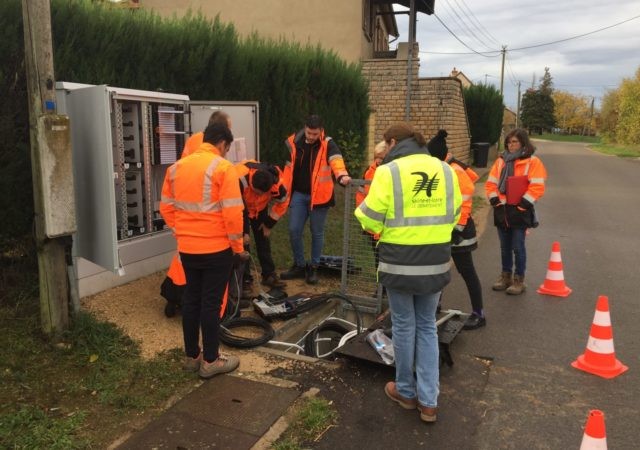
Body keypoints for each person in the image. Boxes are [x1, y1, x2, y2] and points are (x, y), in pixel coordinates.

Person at [355, 123, 461, 423]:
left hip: (400, 264)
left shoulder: (388, 172)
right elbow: (454, 214)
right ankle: (429, 402)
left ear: (392, 142)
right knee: (427, 325)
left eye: (384, 145)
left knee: (404, 325)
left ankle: (405, 391)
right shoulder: (445, 170)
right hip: (436, 261)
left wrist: (380, 228)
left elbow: (369, 217)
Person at [159, 123, 246, 379]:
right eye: (226, 149)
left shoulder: (176, 168)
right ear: (222, 144)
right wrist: (238, 248)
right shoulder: (222, 168)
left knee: (191, 300)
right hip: (216, 249)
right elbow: (232, 213)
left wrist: (183, 231)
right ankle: (211, 361)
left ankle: (191, 356)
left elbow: (166, 208)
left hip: (187, 249)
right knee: (210, 303)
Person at [161, 110, 233, 308]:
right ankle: (212, 315)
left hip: (185, 219)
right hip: (209, 225)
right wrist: (236, 246)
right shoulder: (219, 158)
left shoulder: (192, 141)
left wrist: (178, 227)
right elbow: (230, 208)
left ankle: (174, 296)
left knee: (182, 263)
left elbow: (181, 172)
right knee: (211, 291)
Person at [280, 114, 351, 285]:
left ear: (321, 131)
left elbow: (336, 161)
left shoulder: (328, 144)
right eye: (309, 133)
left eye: (315, 134)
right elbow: (287, 166)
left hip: (320, 196)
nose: (311, 137)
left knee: (316, 232)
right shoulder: (294, 142)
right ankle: (299, 265)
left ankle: (314, 267)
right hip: (298, 194)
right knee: (294, 230)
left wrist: (342, 175)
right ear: (305, 128)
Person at [427, 130, 485, 330]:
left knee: (467, 271)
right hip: (445, 229)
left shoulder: (454, 171)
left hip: (459, 232)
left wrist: (457, 228)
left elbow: (466, 200)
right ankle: (435, 307)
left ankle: (479, 313)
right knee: (438, 269)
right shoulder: (444, 168)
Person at [485, 128, 547, 295]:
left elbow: (537, 186)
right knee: (504, 247)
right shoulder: (501, 161)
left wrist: (522, 205)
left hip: (520, 210)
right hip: (501, 209)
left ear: (523, 143)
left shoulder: (533, 162)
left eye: (515, 142)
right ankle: (506, 277)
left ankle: (519, 280)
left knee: (518, 246)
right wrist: (494, 200)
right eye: (509, 142)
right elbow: (491, 183)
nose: (511, 145)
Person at [236, 160, 289, 295]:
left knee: (263, 240)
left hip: (260, 209)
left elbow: (282, 203)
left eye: (262, 194)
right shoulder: (239, 179)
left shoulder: (276, 184)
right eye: (256, 192)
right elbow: (234, 208)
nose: (259, 195)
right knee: (242, 244)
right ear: (252, 184)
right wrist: (243, 232)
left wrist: (268, 223)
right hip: (239, 208)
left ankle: (268, 274)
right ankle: (245, 279)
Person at [355, 141, 388, 287]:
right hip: (373, 224)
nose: (378, 160)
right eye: (377, 157)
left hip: (387, 225)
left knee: (386, 258)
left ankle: (387, 287)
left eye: (382, 157)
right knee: (377, 257)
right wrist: (364, 215)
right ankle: (380, 288)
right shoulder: (369, 171)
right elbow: (361, 194)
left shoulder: (391, 172)